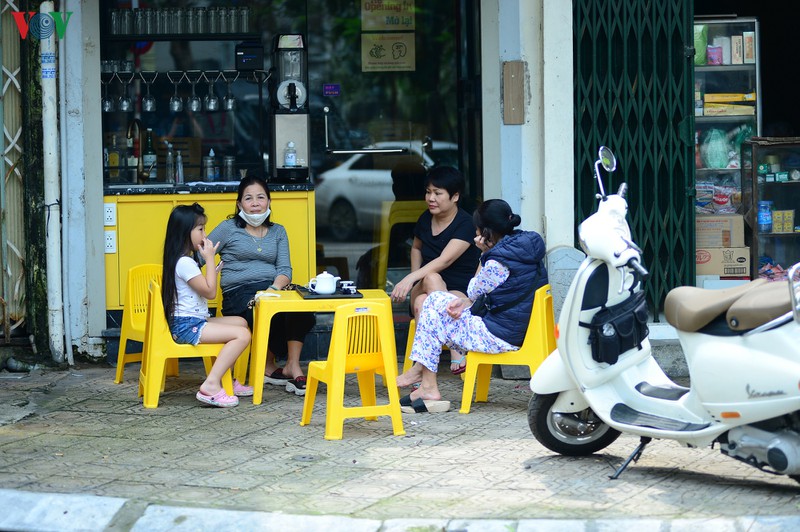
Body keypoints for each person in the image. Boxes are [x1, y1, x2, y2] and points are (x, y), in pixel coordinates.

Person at [395, 199, 548, 413]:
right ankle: (424, 377)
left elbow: (473, 289)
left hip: (499, 335)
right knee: (435, 306)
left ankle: (425, 379)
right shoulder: (523, 246)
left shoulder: (497, 262)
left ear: (485, 232)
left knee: (430, 304)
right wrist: (466, 301)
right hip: (514, 327)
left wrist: (484, 254)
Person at [208, 176, 315, 396]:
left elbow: (285, 270)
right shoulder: (228, 229)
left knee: (302, 311)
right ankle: (266, 366)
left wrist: (273, 290)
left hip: (273, 289)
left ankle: (291, 366)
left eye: (260, 197)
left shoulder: (278, 232)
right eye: (248, 198)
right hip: (239, 293)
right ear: (239, 204)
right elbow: (200, 254)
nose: (255, 203)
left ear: (269, 201)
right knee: (258, 312)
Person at [389, 166, 481, 374]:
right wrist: (413, 282)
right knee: (431, 278)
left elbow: (445, 260)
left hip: (456, 292)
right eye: (428, 192)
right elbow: (416, 248)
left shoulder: (466, 224)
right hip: (422, 286)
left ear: (455, 196)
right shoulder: (425, 218)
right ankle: (457, 351)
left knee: (426, 300)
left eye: (438, 193)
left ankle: (422, 368)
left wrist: (409, 278)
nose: (431, 198)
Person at [161, 203, 253, 408]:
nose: (205, 234)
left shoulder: (184, 260)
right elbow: (211, 292)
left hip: (193, 321)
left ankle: (226, 379)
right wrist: (210, 259)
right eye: (200, 229)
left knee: (240, 322)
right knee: (243, 335)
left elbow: (202, 287)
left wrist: (213, 269)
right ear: (186, 232)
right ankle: (211, 385)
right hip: (187, 325)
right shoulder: (184, 262)